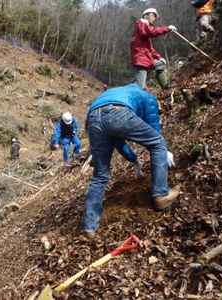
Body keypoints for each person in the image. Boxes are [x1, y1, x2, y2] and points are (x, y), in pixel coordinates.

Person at [82, 83, 180, 239]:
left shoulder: (116, 92)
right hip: (117, 111)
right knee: (158, 143)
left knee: (100, 175)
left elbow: (117, 141)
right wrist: (164, 149)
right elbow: (154, 133)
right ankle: (161, 195)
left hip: (93, 118)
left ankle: (89, 226)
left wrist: (134, 160)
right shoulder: (146, 96)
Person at [131, 8, 177, 90]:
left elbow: (150, 48)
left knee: (160, 64)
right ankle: (136, 99)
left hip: (146, 58)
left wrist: (159, 57)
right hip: (141, 60)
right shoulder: (141, 23)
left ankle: (166, 88)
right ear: (146, 16)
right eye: (153, 15)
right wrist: (167, 28)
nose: (154, 18)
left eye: (155, 17)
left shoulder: (145, 27)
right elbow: (151, 32)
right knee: (140, 86)